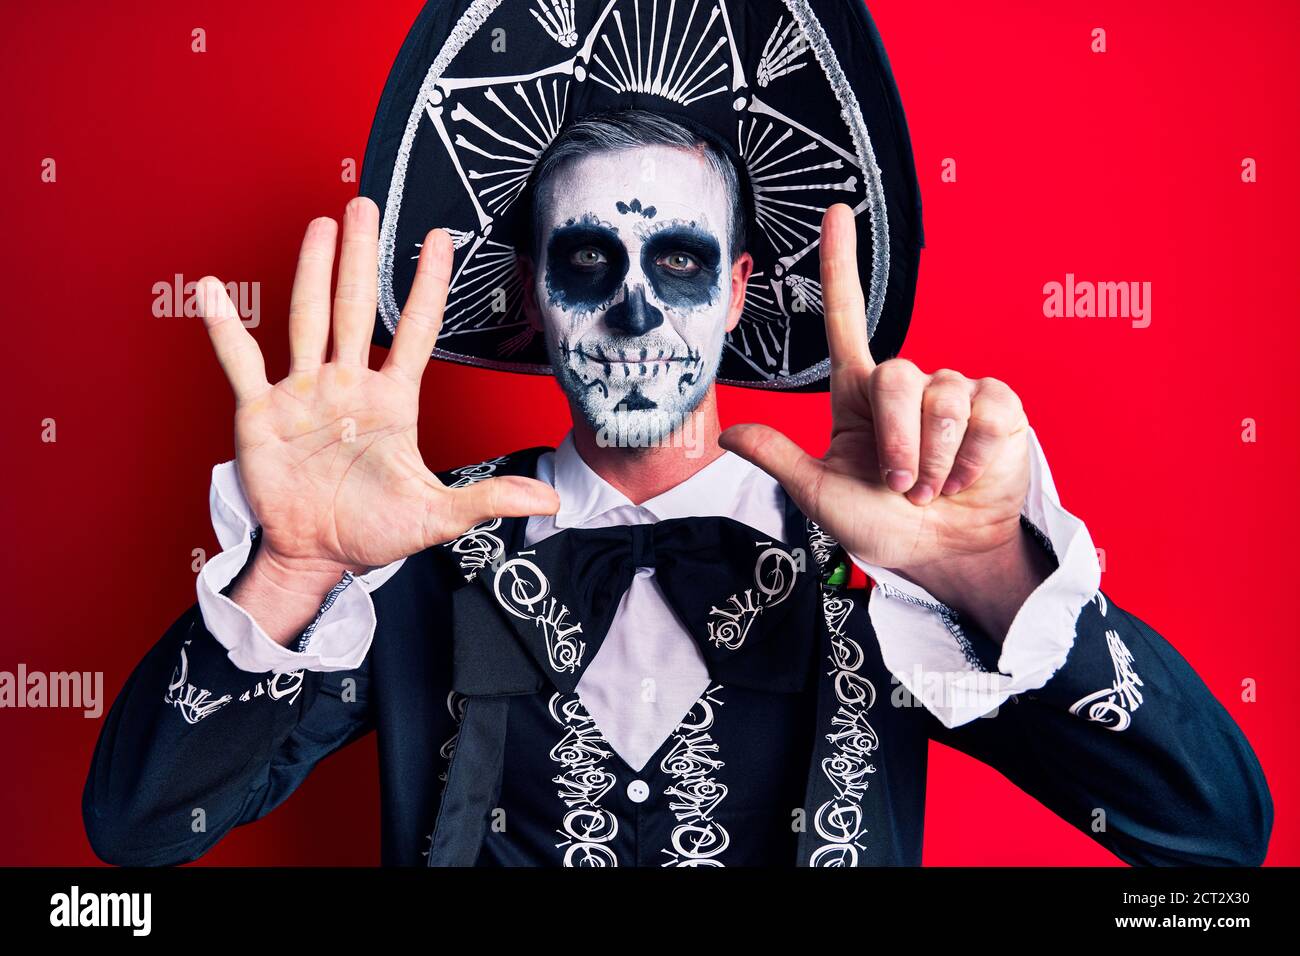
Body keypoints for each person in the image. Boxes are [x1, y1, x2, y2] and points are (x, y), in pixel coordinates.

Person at [83, 0, 1271, 867]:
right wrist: (292, 567)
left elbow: (1215, 837)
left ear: (743, 289)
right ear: (533, 297)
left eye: (682, 262)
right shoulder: (399, 554)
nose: (636, 308)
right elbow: (134, 837)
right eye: (588, 261)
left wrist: (981, 571)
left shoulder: (882, 563)